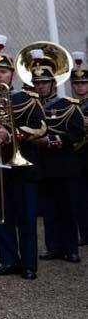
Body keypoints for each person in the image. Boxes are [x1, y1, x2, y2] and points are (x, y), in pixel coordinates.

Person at [0, 36, 44, 280]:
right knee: (0, 216)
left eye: (3, 72)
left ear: (13, 75)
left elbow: (40, 128)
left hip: (22, 166)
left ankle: (28, 264)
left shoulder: (28, 99)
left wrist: (10, 135)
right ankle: (8, 260)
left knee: (26, 217)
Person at [27, 49, 86, 263]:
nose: (40, 86)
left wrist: (52, 140)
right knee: (48, 209)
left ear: (53, 83)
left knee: (67, 209)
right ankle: (53, 247)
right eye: (37, 82)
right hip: (42, 166)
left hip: (64, 165)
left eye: (44, 82)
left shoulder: (68, 105)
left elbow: (77, 133)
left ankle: (71, 248)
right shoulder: (29, 107)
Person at [70, 52, 88, 247]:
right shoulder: (70, 106)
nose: (80, 86)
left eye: (83, 83)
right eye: (76, 83)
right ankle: (85, 233)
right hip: (78, 156)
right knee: (81, 197)